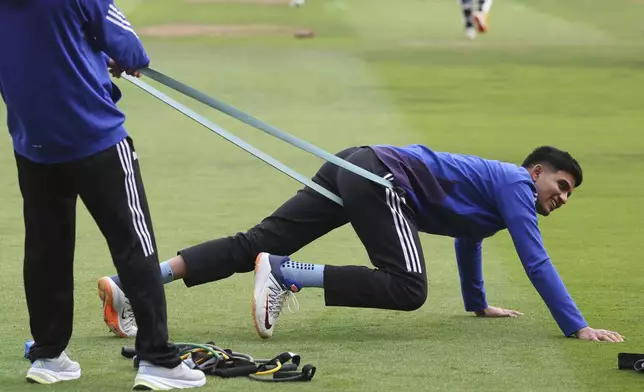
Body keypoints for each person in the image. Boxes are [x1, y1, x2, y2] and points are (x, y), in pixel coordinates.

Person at [99, 144, 624, 343]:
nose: (562, 198)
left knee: (252, 242)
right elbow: (535, 261)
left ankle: (132, 286)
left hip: (361, 164)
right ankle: (284, 273)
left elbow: (471, 240)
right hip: (380, 178)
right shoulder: (513, 184)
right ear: (537, 172)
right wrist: (577, 327)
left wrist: (477, 303)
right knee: (409, 287)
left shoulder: (501, 199)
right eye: (561, 187)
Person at [0, 0, 206, 389]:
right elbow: (130, 50)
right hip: (95, 136)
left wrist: (84, 58)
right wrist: (103, 59)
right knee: (134, 244)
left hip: (34, 142)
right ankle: (158, 359)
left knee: (46, 250)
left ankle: (48, 355)